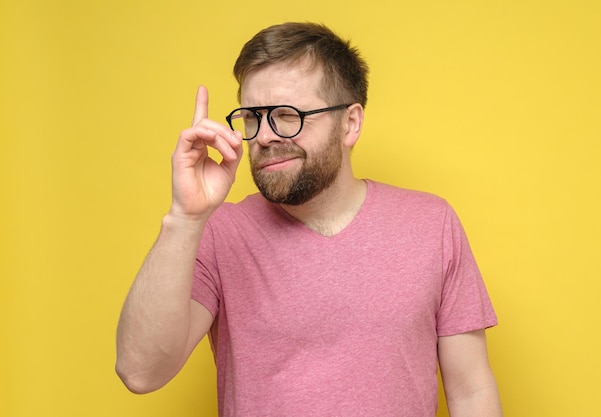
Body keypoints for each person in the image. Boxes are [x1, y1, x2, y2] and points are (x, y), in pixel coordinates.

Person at [116, 22, 503, 417]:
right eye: (252, 117)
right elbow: (140, 372)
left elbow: (471, 391)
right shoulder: (220, 233)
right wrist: (185, 217)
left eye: (287, 115)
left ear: (349, 123)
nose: (264, 136)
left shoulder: (431, 225)